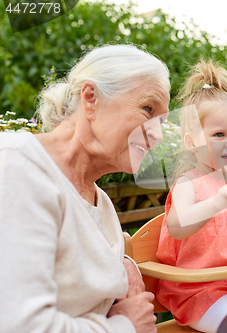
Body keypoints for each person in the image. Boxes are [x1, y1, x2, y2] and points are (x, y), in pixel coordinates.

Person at [0, 44, 170, 333]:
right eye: (147, 109)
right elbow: (20, 324)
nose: (157, 134)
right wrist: (125, 327)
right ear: (91, 99)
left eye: (162, 121)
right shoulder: (18, 168)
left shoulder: (99, 201)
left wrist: (123, 262)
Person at [156, 61, 227, 333]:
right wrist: (217, 203)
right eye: (219, 134)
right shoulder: (187, 183)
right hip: (199, 295)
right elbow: (177, 226)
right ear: (192, 142)